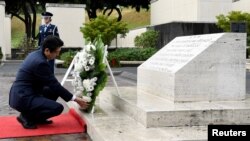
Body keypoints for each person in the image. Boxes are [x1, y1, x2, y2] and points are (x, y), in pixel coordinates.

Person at [9, 36, 88, 129]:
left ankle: (37, 117)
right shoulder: (40, 62)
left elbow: (53, 85)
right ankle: (26, 116)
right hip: (23, 97)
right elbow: (54, 84)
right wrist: (76, 99)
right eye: (57, 52)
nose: (57, 55)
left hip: (23, 92)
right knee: (57, 108)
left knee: (53, 91)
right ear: (47, 50)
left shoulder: (36, 54)